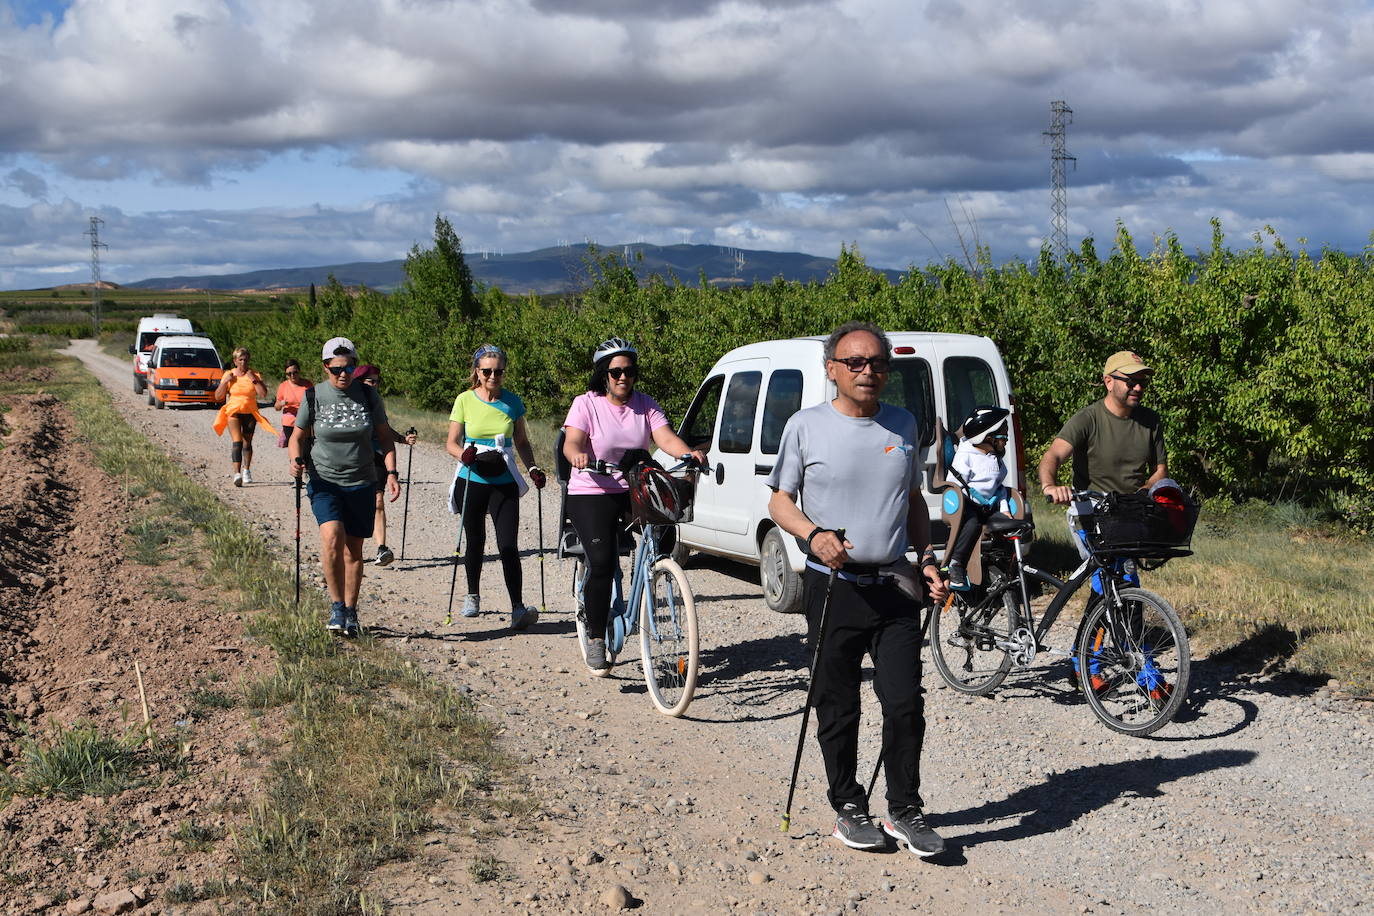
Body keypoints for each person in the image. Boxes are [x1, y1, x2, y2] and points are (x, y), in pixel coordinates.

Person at [766, 320, 949, 857]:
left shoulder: (903, 424)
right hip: (834, 586)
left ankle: (904, 810)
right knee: (837, 701)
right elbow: (779, 500)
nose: (869, 371)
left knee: (904, 702)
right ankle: (848, 805)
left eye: (878, 363)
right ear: (832, 370)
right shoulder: (805, 427)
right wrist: (813, 534)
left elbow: (913, 502)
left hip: (895, 584)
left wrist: (928, 558)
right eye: (856, 363)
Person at [562, 337, 703, 673]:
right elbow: (572, 442)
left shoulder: (645, 404)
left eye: (629, 371)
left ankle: (655, 571)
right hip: (590, 490)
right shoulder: (586, 404)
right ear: (603, 375)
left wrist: (687, 454)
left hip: (631, 488)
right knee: (602, 561)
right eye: (616, 372)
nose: (623, 377)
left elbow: (665, 437)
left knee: (664, 528)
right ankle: (596, 635)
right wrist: (579, 456)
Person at [288, 337, 400, 637]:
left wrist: (391, 471)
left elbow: (385, 436)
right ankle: (337, 606)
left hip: (362, 481)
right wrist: (295, 459)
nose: (343, 373)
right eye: (337, 368)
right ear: (326, 367)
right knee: (332, 536)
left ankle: (351, 611)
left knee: (354, 550)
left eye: (349, 367)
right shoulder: (314, 396)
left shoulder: (368, 396)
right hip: (324, 480)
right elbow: (297, 436)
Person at [445, 344, 546, 630]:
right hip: (472, 479)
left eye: (499, 371)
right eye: (487, 371)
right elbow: (451, 442)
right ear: (477, 371)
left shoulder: (513, 402)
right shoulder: (464, 400)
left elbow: (523, 442)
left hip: (504, 482)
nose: (493, 376)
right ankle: (473, 595)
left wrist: (534, 468)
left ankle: (517, 607)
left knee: (508, 546)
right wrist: (462, 454)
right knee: (475, 541)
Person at [1038, 350, 1167, 555]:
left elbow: (1160, 470)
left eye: (1143, 383)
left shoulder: (1150, 421)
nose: (1138, 388)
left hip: (1130, 511)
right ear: (1109, 381)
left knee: (1126, 573)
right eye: (1131, 382)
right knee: (1104, 571)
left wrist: (1145, 490)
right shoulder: (1088, 418)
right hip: (1091, 511)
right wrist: (1050, 486)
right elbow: (1053, 455)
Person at [353, 364, 417, 568]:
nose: (375, 384)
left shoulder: (376, 402)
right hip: (355, 458)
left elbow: (385, 430)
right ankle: (354, 547)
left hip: (378, 456)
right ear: (360, 382)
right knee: (357, 502)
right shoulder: (351, 402)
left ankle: (382, 548)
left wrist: (403, 439)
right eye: (371, 381)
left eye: (377, 381)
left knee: (378, 500)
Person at [945, 406, 1011, 590]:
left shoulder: (995, 458)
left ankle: (1005, 562)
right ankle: (955, 564)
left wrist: (1004, 508)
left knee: (1012, 525)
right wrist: (971, 502)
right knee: (972, 523)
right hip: (966, 505)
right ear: (987, 437)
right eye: (1003, 437)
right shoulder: (966, 455)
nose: (1006, 441)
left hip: (989, 506)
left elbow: (999, 488)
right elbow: (954, 485)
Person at [214, 346, 275, 487]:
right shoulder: (229, 375)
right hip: (234, 412)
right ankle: (237, 474)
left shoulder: (254, 374)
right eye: (240, 360)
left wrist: (254, 380)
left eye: (246, 359)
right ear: (235, 361)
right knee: (237, 442)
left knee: (247, 442)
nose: (243, 362)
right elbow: (218, 396)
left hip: (250, 412)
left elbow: (263, 394)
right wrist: (224, 382)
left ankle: (246, 470)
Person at [274, 358, 313, 452]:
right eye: (289, 374)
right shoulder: (283, 386)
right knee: (294, 450)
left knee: (306, 449)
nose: (292, 375)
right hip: (289, 422)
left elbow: (314, 401)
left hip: (304, 421)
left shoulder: (307, 385)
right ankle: (295, 465)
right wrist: (281, 403)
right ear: (286, 374)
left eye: (295, 372)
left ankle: (306, 465)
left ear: (299, 371)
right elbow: (276, 407)